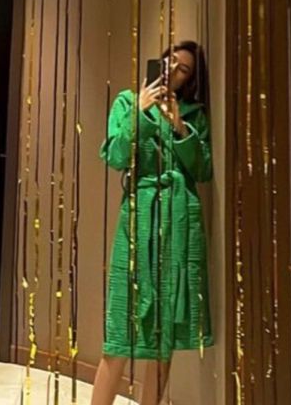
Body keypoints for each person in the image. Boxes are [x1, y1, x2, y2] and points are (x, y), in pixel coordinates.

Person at [92, 41, 213, 405]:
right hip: (139, 218)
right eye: (170, 61)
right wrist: (142, 114)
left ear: (190, 80)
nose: (172, 70)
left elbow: (203, 169)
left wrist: (178, 126)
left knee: (164, 334)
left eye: (183, 69)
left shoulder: (193, 114)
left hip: (179, 220)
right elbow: (115, 156)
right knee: (120, 329)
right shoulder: (128, 103)